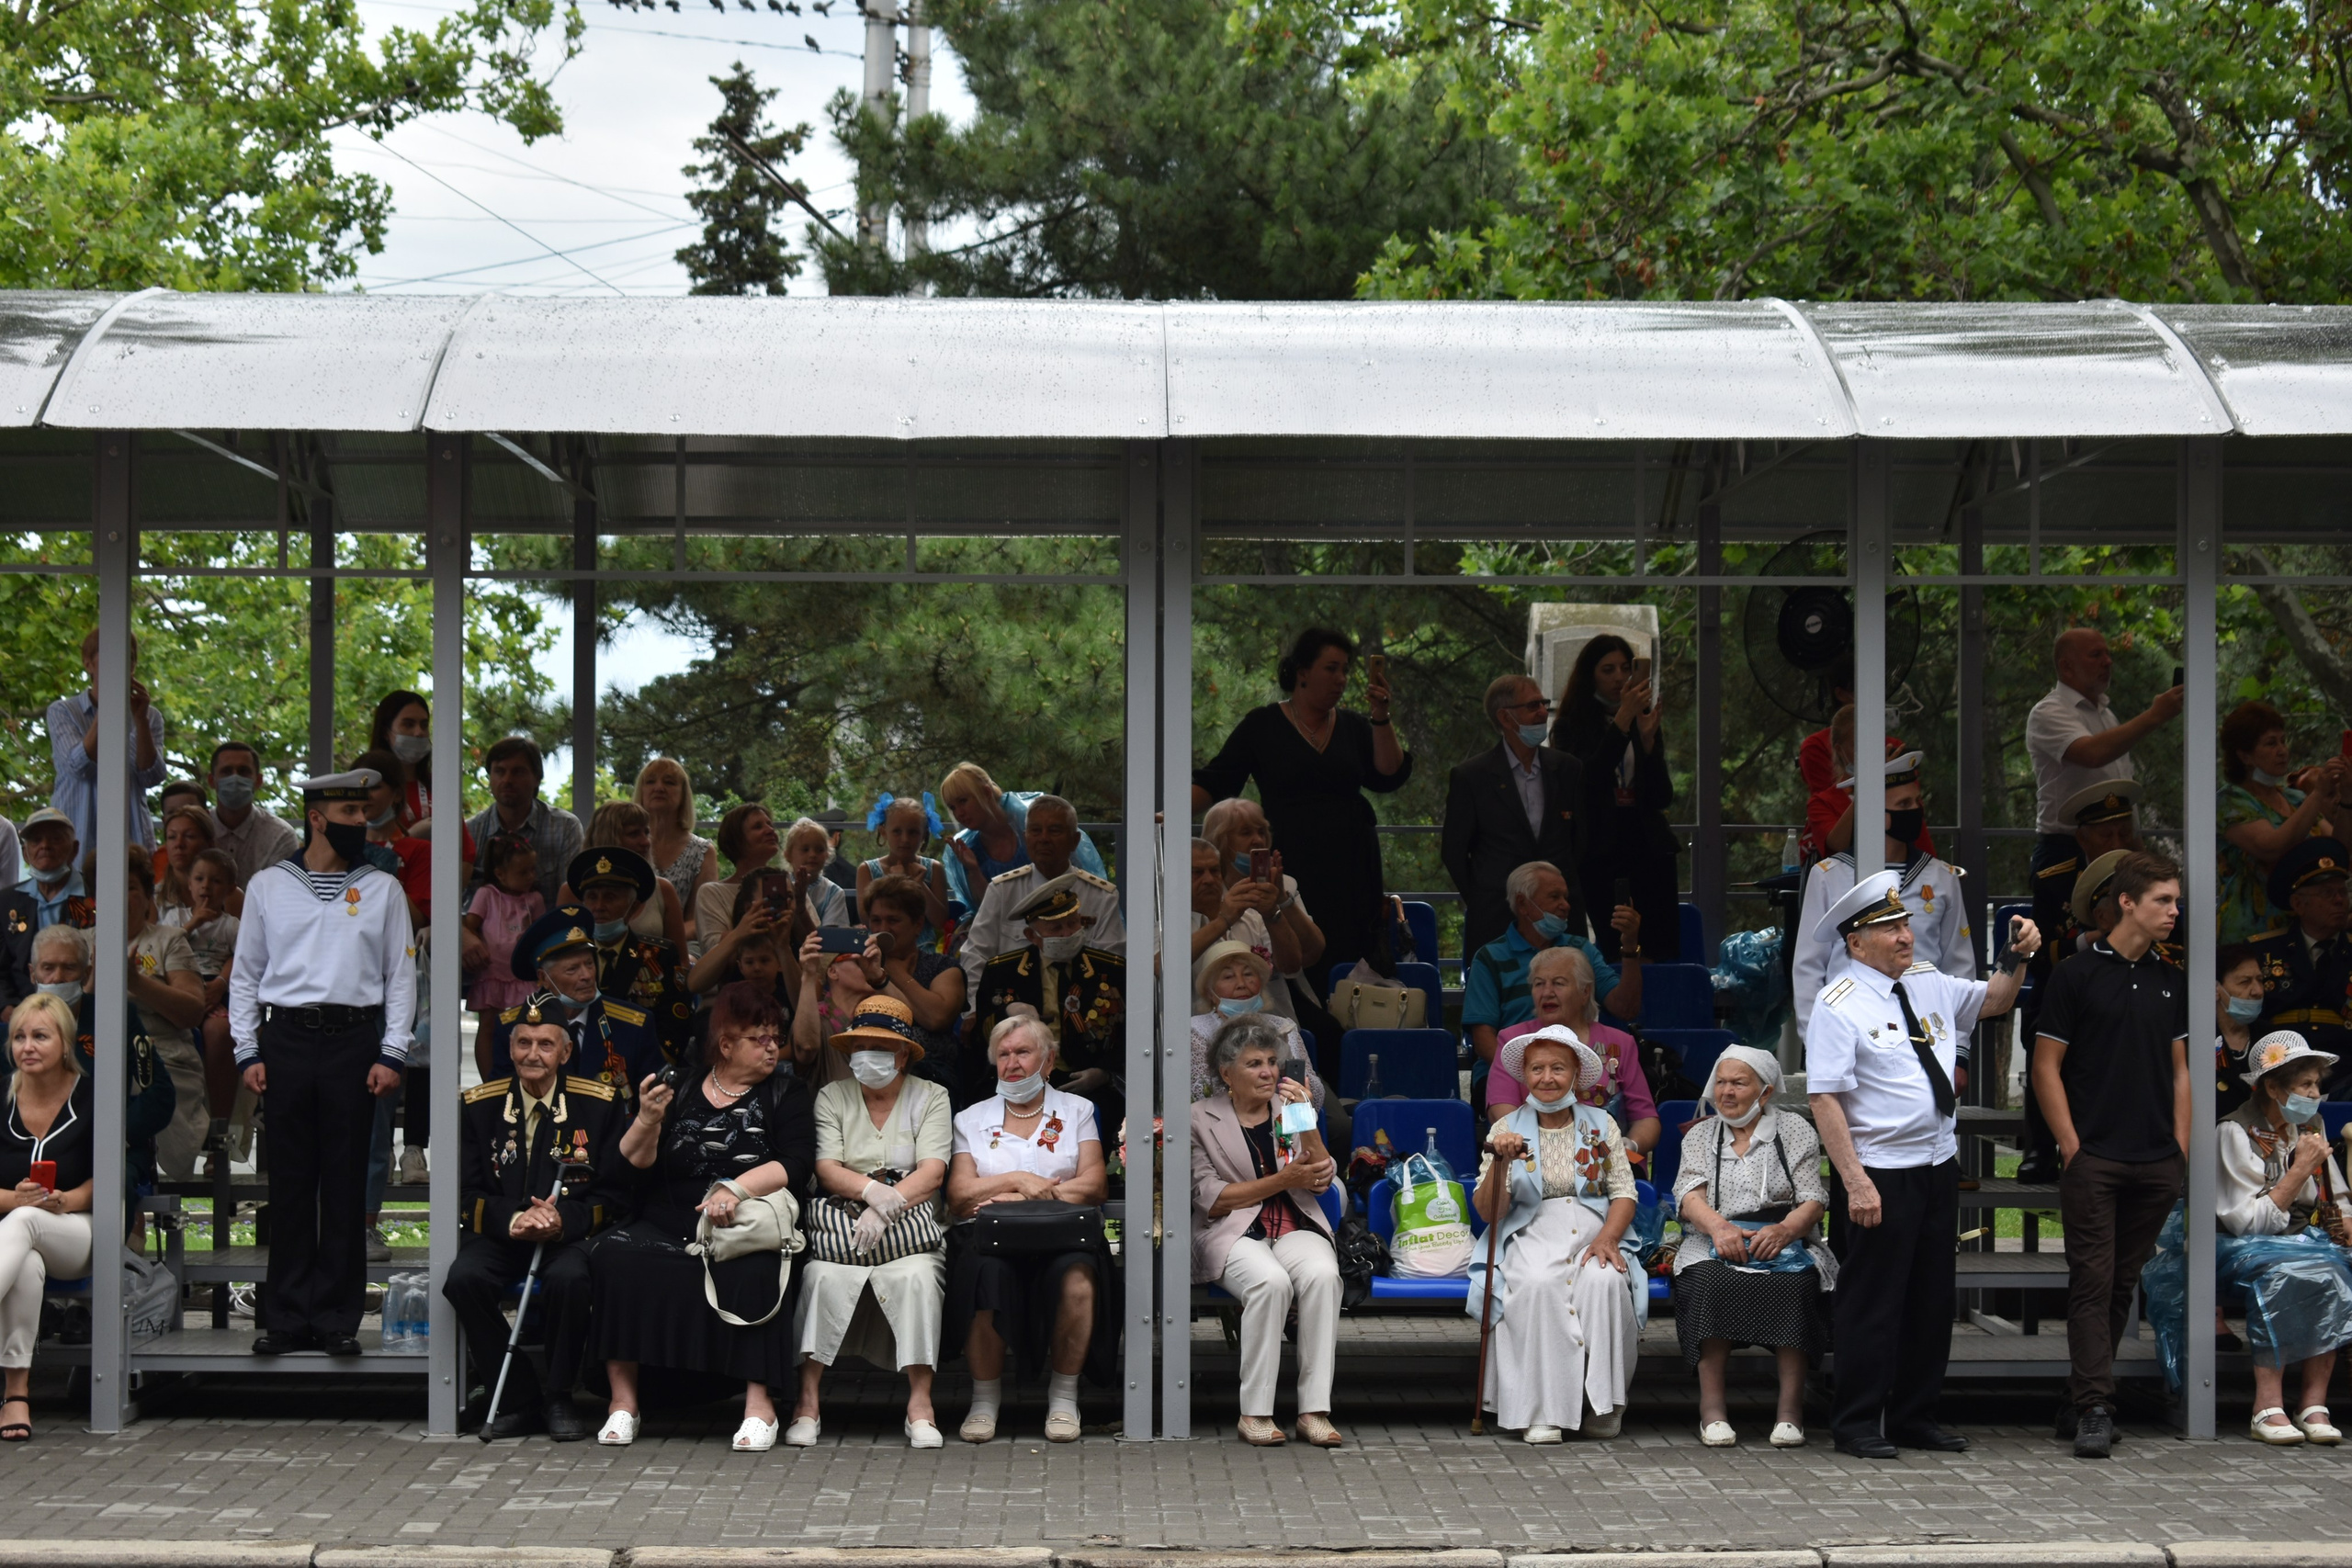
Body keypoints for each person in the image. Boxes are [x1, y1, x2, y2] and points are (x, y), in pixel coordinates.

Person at [1806, 871, 2039, 1459]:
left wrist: (2017, 955)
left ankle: (1915, 1416)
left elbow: (1995, 1000)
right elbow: (1824, 1099)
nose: (1905, 936)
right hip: (1879, 1170)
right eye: (1889, 928)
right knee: (1872, 1300)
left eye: (1905, 922)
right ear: (1856, 943)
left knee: (1931, 1298)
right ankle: (1857, 1422)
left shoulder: (1928, 982)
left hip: (1937, 1162)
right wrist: (1855, 1182)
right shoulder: (1838, 1004)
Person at [227, 769, 415, 1357]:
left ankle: (336, 1318)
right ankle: (283, 1317)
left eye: (365, 813)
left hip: (354, 1041)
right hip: (284, 1038)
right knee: (287, 1183)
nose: (364, 823)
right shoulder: (267, 885)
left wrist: (393, 1052)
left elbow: (402, 978)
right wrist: (246, 1050)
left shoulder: (384, 889)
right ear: (317, 817)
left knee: (343, 1183)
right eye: (352, 814)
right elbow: (245, 977)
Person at [589, 981, 816, 1450]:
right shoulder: (683, 1084)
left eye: (776, 1035)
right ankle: (624, 1403)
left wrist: (735, 1188)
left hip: (744, 1220)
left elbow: (796, 1165)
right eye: (759, 1037)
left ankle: (760, 1407)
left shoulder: (786, 1093)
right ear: (726, 1044)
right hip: (671, 1219)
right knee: (614, 1257)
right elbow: (625, 1166)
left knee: (758, 1267)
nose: (773, 1045)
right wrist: (647, 1120)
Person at [2031, 850, 2188, 1460]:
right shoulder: (2075, 974)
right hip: (2094, 1155)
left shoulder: (2171, 978)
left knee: (2121, 1281)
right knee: (2093, 1281)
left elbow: (2181, 1072)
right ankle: (2097, 1405)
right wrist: (2071, 1146)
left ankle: (2080, 1396)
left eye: (2175, 901)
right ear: (2127, 901)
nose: (2174, 911)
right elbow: (2046, 1066)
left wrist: (2179, 1148)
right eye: (2163, 901)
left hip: (2155, 1160)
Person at [447, 992, 635, 1440]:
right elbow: (465, 1191)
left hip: (565, 1237)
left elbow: (614, 1195)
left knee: (570, 1281)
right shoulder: (479, 1105)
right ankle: (516, 1397)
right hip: (501, 1234)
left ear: (565, 1052)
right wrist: (514, 1219)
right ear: (510, 1048)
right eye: (523, 1043)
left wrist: (562, 1222)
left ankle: (558, 1396)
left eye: (545, 1044)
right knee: (463, 1280)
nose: (533, 1054)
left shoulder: (599, 1103)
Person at [1193, 627, 1411, 969]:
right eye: (1331, 668)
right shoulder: (1262, 725)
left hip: (1352, 863)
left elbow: (1388, 774)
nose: (1340, 678)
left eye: (1345, 670)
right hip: (1291, 860)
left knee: (1352, 950)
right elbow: (1218, 779)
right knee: (1299, 945)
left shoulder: (1354, 726)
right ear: (1302, 672)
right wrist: (1164, 811)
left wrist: (1380, 716)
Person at [791, 996, 954, 1450]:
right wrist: (869, 1192)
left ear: (902, 1053)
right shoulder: (831, 1095)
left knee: (919, 1278)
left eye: (880, 1047)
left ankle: (921, 1404)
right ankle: (807, 1402)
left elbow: (934, 1171)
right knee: (819, 1276)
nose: (868, 1056)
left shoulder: (931, 1096)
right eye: (859, 1046)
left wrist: (891, 1202)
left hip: (911, 1234)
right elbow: (826, 1167)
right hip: (844, 1232)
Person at [944, 1014, 1113, 1444]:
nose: (1012, 1062)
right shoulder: (971, 1118)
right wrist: (1017, 1180)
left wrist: (1025, 1199)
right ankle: (984, 1399)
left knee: (1078, 1281)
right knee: (985, 1276)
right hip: (990, 1237)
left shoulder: (1077, 1110)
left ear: (1049, 1059)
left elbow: (1094, 1185)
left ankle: (1063, 1397)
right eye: (1003, 1054)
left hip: (1061, 1234)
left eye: (1023, 1051)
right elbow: (960, 1195)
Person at [1470, 1025, 1642, 1443]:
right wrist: (1502, 1163)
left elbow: (1624, 1191)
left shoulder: (1601, 1124)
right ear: (1524, 1074)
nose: (1547, 1078)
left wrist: (1608, 1238)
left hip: (1594, 1231)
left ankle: (1605, 1403)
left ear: (1577, 1072)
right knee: (1537, 1284)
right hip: (1530, 1231)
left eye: (1558, 1068)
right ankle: (1540, 1409)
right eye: (1537, 1069)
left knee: (1604, 1281)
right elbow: (1489, 1212)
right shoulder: (1506, 1128)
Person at [1190, 1013, 1343, 1447]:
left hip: (1294, 1223)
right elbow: (1212, 1197)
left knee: (1322, 1275)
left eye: (1272, 1062)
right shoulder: (1199, 1118)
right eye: (1255, 1064)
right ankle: (1255, 1412)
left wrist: (1305, 1118)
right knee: (1270, 1283)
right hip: (1232, 1229)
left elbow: (1319, 1177)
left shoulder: (1289, 1110)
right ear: (1226, 1073)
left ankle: (1314, 1411)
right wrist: (1281, 1181)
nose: (1268, 1072)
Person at [1670, 1046, 1833, 1449]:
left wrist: (1783, 1232)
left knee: (1795, 1288)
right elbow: (1690, 1195)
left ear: (1765, 1091)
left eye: (1738, 1083)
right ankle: (1712, 1413)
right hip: (1712, 1238)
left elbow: (1813, 1198)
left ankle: (1790, 1413)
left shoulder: (1795, 1130)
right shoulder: (1701, 1134)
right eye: (1721, 1082)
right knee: (1707, 1283)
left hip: (1781, 1236)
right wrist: (1720, 1229)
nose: (1726, 1092)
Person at [2214, 1031, 2352, 1446]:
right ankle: (2266, 1403)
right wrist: (2297, 1172)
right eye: (2305, 1085)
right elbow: (2246, 1223)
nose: (2314, 1094)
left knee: (2334, 1266)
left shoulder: (2309, 1125)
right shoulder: (2235, 1132)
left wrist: (2345, 1220)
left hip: (2297, 1241)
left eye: (2316, 1084)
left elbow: (2336, 1193)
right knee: (2289, 1270)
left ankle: (2314, 1403)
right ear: (2272, 1088)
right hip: (2234, 1247)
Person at [1792, 751, 1973, 1043]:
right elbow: (1809, 969)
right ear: (1874, 811)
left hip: (1930, 1033)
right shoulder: (1829, 876)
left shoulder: (1942, 877)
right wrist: (1817, 1041)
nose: (1915, 810)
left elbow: (1959, 965)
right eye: (1904, 804)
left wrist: (1960, 1049)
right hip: (1849, 1034)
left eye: (1917, 801)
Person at [2018, 782, 2145, 1178]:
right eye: (2106, 834)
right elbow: (2038, 956)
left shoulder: (2149, 877)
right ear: (2082, 837)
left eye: (2124, 832)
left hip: (2135, 984)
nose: (2117, 841)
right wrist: (2086, 941)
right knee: (2043, 1032)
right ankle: (2040, 1147)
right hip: (2067, 986)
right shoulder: (2054, 879)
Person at [1463, 861, 1638, 1113]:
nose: (1566, 906)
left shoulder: (1581, 950)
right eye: (1555, 897)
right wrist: (1536, 1078)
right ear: (1523, 904)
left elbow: (1626, 1009)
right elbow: (1483, 1041)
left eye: (1566, 897)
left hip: (1580, 1074)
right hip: (1511, 1075)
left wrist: (1630, 947)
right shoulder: (1489, 958)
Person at [1546, 634, 1678, 965]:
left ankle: (1658, 1015)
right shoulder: (1568, 726)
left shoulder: (1641, 719)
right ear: (1590, 674)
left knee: (1659, 949)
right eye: (1608, 669)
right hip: (1601, 852)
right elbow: (1585, 783)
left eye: (1624, 668)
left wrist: (1647, 743)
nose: (1619, 677)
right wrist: (1621, 722)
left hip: (1648, 848)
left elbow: (1662, 795)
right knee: (1616, 948)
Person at [1443, 672, 1589, 962]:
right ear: (1506, 718)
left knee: (1567, 999)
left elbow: (1581, 841)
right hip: (1497, 918)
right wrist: (1486, 897)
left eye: (1543, 704)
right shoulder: (1471, 777)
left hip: (1561, 921)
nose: (1542, 713)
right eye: (1532, 705)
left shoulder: (1568, 769)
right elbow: (1453, 851)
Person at [0, 994, 94, 1441]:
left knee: (25, 1225)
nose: (27, 1046)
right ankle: (16, 1394)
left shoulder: (93, 1095)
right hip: (16, 1234)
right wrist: (12, 1200)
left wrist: (69, 1198)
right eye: (19, 1037)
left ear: (65, 1043)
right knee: (26, 1264)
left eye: (40, 1036)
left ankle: (16, 1391)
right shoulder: (2, 1096)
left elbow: (115, 1174)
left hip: (78, 1229)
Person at [967, 875, 1126, 1132]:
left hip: (1084, 1079)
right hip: (1017, 1079)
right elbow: (980, 1037)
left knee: (1109, 1120)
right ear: (1033, 935)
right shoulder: (1003, 970)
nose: (1067, 933)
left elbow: (1128, 1033)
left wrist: (1104, 1072)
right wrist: (1008, 1011)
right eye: (1056, 928)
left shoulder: (1110, 969)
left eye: (1073, 923)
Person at [2024, 627, 2182, 888]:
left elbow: (2120, 796)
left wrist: (2137, 852)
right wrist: (2155, 715)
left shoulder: (2107, 717)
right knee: (2068, 930)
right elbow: (2092, 753)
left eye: (2108, 654)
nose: (2108, 661)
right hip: (2067, 850)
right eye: (2096, 655)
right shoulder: (2048, 712)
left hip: (2116, 846)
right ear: (2066, 667)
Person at [1487, 945, 1660, 1174]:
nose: (1546, 992)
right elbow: (1503, 1114)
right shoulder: (1513, 1041)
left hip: (1609, 1163)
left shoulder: (1620, 1043)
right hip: (1536, 1163)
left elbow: (1647, 1119)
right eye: (1539, 983)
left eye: (1558, 983)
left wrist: (1630, 1145)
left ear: (1585, 992)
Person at [789, 874, 967, 1091]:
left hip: (933, 1082)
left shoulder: (940, 966)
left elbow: (934, 1018)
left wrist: (886, 969)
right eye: (876, 920)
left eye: (893, 920)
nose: (884, 927)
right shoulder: (862, 986)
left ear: (918, 923)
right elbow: (807, 1040)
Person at [35, 926, 173, 1193]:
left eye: (69, 968)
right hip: (31, 1153)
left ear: (87, 973)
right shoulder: (14, 1031)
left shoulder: (116, 1018)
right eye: (48, 968)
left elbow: (160, 1094)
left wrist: (114, 1135)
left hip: (105, 1152)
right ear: (32, 973)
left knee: (112, 1192)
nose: (57, 978)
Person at [483, 907, 665, 1100]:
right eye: (572, 969)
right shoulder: (514, 1027)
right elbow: (503, 1104)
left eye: (589, 964)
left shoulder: (633, 1025)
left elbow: (657, 1101)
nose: (586, 976)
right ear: (544, 978)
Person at [958, 796, 1125, 996]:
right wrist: (976, 1010)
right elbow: (975, 955)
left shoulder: (1101, 896)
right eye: (1036, 831)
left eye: (1054, 831)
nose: (1044, 838)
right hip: (1014, 1010)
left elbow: (1111, 965)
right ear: (1025, 837)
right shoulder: (1002, 891)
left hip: (1083, 1011)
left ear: (1075, 841)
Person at [2219, 703, 2344, 945]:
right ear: (2244, 755)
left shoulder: (2296, 798)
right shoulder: (2229, 801)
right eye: (2271, 743)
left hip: (2303, 934)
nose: (2282, 750)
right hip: (2250, 937)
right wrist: (2318, 794)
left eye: (2283, 741)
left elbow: (2339, 849)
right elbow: (2270, 847)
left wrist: (2347, 798)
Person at [567, 846, 694, 1066]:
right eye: (592, 897)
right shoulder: (567, 956)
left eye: (610, 897)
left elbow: (676, 1022)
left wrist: (645, 1066)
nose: (599, 907)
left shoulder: (660, 955)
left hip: (644, 1071)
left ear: (634, 907)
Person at [125, 856, 208, 1182]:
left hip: (164, 1057)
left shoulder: (169, 939)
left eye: (130, 887)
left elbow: (192, 1012)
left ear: (147, 896)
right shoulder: (82, 943)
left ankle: (131, 1187)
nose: (119, 895)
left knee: (130, 1090)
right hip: (95, 1058)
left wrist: (136, 983)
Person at [1199, 797, 1328, 1009]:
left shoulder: (1285, 884)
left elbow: (1312, 952)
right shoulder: (1206, 889)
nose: (1258, 840)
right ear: (1221, 840)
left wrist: (1282, 900)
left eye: (1261, 832)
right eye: (1246, 833)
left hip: (1274, 1004)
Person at [48, 624, 166, 852]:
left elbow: (152, 776)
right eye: (111, 656)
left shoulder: (150, 716)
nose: (120, 665)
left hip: (131, 840)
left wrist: (140, 720)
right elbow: (79, 766)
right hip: (76, 842)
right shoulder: (62, 711)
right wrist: (109, 707)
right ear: (88, 663)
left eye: (129, 658)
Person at [937, 761, 1109, 917]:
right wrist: (973, 870)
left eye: (963, 801)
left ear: (986, 793)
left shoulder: (1034, 823)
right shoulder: (968, 848)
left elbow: (1080, 878)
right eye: (953, 807)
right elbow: (986, 913)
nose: (959, 813)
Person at [2249, 837, 2352, 1091]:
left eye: (2343, 892)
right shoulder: (2263, 951)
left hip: (2346, 1070)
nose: (2339, 900)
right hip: (2279, 1068)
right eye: (2328, 893)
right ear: (2298, 904)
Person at [164, 849, 241, 1138]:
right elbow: (164, 948)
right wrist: (194, 922)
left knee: (220, 1031)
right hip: (178, 983)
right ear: (190, 885)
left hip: (214, 989)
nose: (206, 887)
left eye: (216, 881)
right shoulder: (176, 917)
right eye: (200, 879)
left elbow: (243, 957)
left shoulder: (231, 925)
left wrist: (221, 982)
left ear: (230, 889)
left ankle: (219, 1130)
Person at [1800, 704, 1937, 863]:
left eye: (1876, 742)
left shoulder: (1898, 793)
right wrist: (1871, 783)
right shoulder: (1821, 802)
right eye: (1859, 744)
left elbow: (1924, 851)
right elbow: (1838, 845)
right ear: (1839, 749)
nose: (1869, 751)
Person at [464, 738, 582, 908]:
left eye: (518, 772)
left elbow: (573, 902)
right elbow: (455, 907)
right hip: (479, 933)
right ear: (489, 777)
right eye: (499, 771)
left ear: (537, 778)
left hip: (548, 931)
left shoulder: (564, 827)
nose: (507, 780)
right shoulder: (471, 832)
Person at [561, 803, 687, 950]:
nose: (646, 842)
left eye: (646, 832)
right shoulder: (571, 890)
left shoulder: (663, 889)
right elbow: (563, 956)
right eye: (634, 834)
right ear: (607, 838)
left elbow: (680, 960)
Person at [463, 833, 545, 1036]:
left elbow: (541, 931)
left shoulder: (534, 899)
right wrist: (479, 943)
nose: (531, 876)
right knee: (488, 1026)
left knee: (527, 1022)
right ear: (500, 874)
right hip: (492, 973)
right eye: (523, 872)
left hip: (524, 976)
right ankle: (488, 1070)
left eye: (533, 870)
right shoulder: (487, 894)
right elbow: (470, 924)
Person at [634, 757, 718, 942]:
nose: (659, 787)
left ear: (683, 795)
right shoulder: (625, 844)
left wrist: (658, 939)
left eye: (669, 782)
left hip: (684, 946)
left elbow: (701, 920)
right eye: (650, 781)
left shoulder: (703, 851)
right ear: (641, 791)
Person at [857, 794, 953, 953]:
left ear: (924, 834)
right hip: (880, 949)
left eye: (913, 832)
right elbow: (866, 919)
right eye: (897, 832)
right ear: (883, 832)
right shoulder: (866, 870)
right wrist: (895, 882)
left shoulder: (933, 869)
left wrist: (919, 885)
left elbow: (939, 921)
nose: (905, 839)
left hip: (922, 951)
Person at [691, 804, 781, 962]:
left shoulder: (785, 885)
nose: (770, 830)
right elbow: (713, 949)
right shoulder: (712, 893)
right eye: (758, 826)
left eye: (770, 824)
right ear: (737, 841)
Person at [206, 742, 302, 886]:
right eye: (226, 771)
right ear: (211, 781)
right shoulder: (196, 829)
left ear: (258, 781)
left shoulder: (280, 835)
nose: (235, 778)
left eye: (243, 771)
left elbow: (279, 895)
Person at [17, 810, 90, 932]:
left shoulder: (97, 894)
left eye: (56, 839)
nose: (45, 845)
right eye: (36, 840)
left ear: (74, 849)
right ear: (25, 853)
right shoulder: (6, 902)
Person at [2216, 943, 2267, 1119]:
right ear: (2216, 989)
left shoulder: (2271, 1038)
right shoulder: (2194, 1039)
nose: (2258, 991)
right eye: (2245, 982)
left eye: (2260, 980)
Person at [157, 803, 218, 916]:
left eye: (189, 836)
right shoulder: (155, 897)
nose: (179, 844)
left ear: (210, 844)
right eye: (172, 837)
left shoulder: (229, 896)